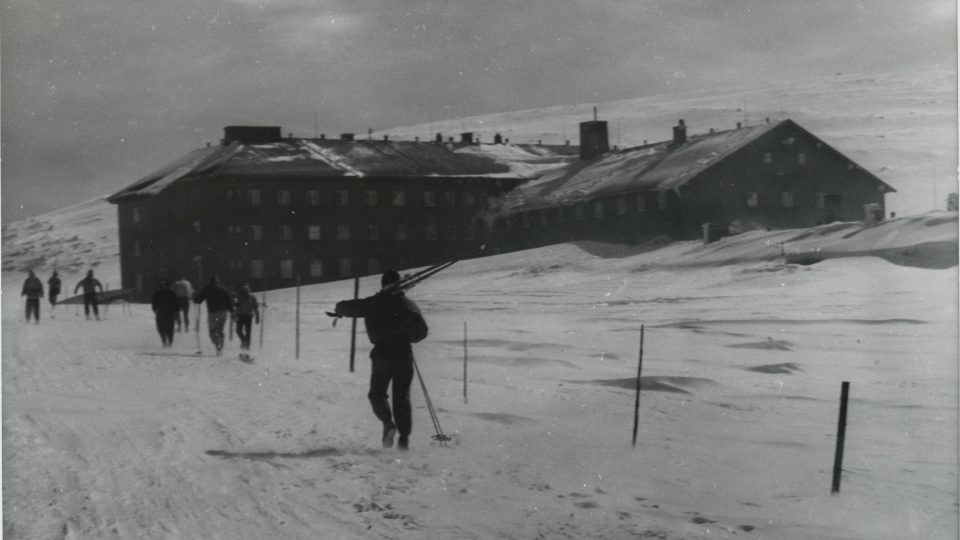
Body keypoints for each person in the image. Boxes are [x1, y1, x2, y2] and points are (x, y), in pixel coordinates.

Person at [334, 270, 429, 451]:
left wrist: (339, 311)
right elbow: (421, 333)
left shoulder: (375, 302)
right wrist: (407, 336)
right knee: (402, 397)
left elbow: (346, 307)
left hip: (382, 354)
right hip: (404, 354)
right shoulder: (410, 305)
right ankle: (404, 441)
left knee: (377, 394)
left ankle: (388, 423)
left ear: (383, 284)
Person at [193, 276, 234, 355]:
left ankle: (217, 342)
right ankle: (220, 345)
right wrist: (232, 312)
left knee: (213, 330)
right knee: (220, 328)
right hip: (223, 313)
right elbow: (229, 302)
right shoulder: (223, 289)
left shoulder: (207, 289)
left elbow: (198, 300)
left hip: (213, 313)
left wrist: (194, 297)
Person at [233, 284, 260, 358]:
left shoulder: (252, 297)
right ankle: (244, 342)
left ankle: (246, 349)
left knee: (246, 333)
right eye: (244, 291)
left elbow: (255, 307)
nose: (246, 293)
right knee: (239, 331)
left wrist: (257, 316)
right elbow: (236, 306)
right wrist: (234, 314)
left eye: (247, 291)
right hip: (242, 316)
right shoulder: (240, 297)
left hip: (247, 316)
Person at [151, 279, 179, 347]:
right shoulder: (157, 293)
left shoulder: (171, 292)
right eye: (161, 284)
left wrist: (177, 310)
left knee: (170, 328)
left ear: (166, 285)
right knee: (160, 328)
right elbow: (154, 302)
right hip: (160, 312)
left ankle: (170, 342)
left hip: (170, 312)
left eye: (164, 284)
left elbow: (175, 301)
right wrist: (154, 309)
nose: (163, 286)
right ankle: (163, 341)